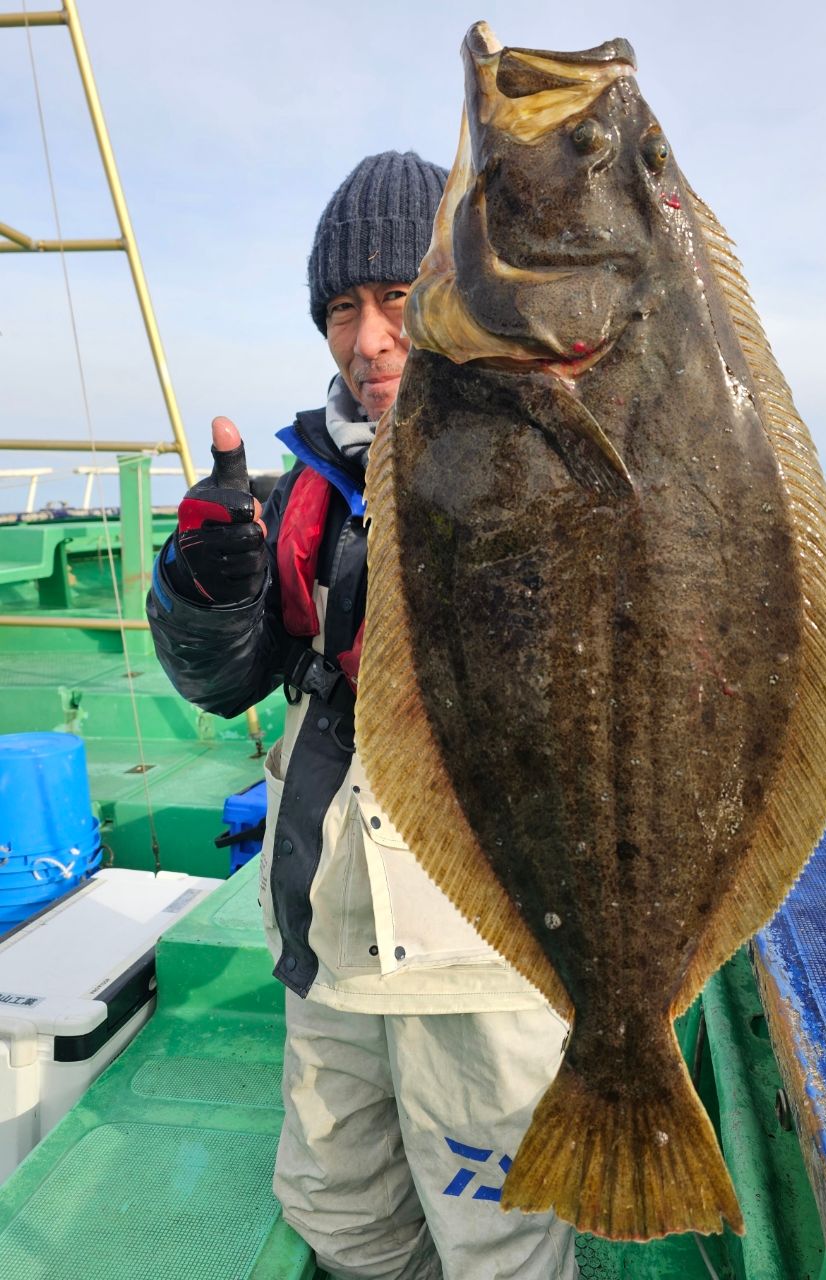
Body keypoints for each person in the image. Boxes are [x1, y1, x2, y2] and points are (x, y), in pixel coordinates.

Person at [148, 151, 579, 1280]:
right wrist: (210, 580)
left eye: (399, 298)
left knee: (502, 1238)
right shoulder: (295, 486)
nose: (370, 336)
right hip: (326, 926)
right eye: (344, 307)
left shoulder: (549, 449)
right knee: (340, 1213)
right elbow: (224, 678)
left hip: (480, 948)